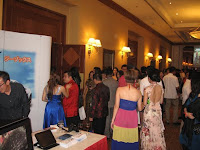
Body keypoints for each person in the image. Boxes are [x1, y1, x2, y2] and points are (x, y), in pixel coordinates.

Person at [111, 70, 142, 150]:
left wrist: (113, 120)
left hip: (120, 116)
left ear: (125, 79)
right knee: (130, 138)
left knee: (119, 138)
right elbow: (140, 108)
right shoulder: (138, 93)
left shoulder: (119, 90)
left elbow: (116, 106)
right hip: (132, 118)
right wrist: (145, 103)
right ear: (135, 80)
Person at [140, 69, 166, 150]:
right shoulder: (161, 88)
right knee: (157, 130)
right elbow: (161, 101)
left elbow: (144, 103)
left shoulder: (146, 89)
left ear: (149, 79)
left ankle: (148, 147)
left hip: (149, 111)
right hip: (157, 111)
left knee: (148, 130)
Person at [180, 72, 200, 150]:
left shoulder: (194, 96)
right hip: (190, 128)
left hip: (195, 130)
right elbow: (185, 107)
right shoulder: (193, 95)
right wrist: (186, 113)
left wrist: (186, 112)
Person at [103, 67, 118, 138]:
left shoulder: (104, 82)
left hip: (107, 102)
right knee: (113, 118)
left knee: (107, 119)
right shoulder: (116, 82)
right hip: (114, 102)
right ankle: (112, 132)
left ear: (106, 74)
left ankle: (107, 134)